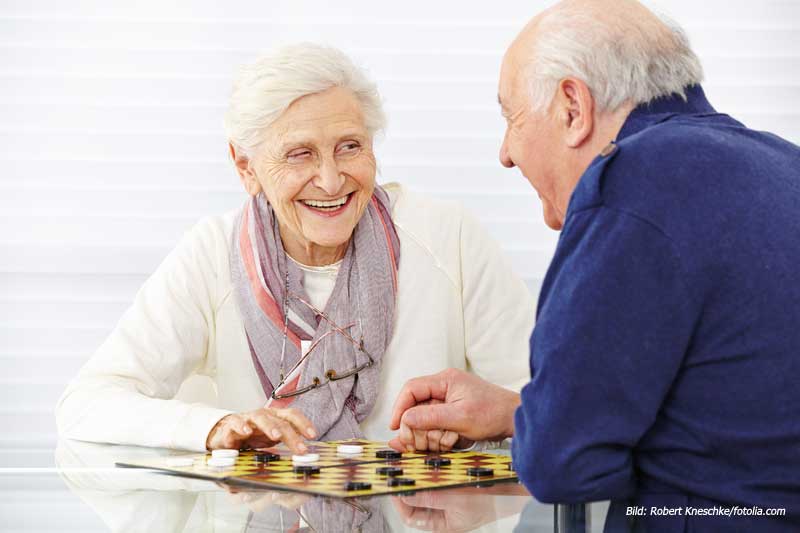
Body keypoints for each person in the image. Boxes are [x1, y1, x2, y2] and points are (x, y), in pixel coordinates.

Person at [389, 0, 800, 528]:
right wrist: (521, 414)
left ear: (572, 108)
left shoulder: (631, 185)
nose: (505, 154)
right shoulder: (781, 161)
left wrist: (543, 431)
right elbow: (718, 413)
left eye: (511, 118)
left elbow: (562, 466)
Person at [55, 43, 534, 454]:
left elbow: (545, 400)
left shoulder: (448, 237)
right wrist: (214, 427)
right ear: (245, 167)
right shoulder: (209, 254)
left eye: (349, 146)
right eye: (299, 153)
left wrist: (472, 430)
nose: (329, 180)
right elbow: (88, 403)